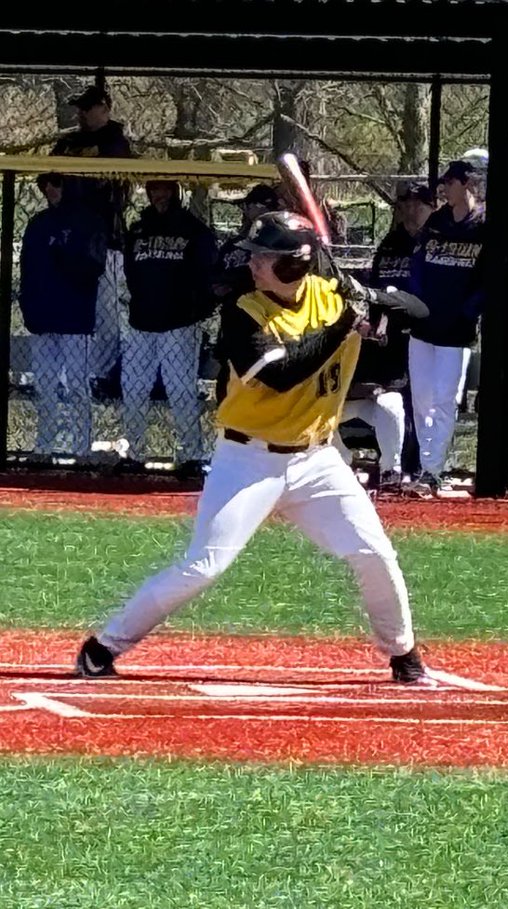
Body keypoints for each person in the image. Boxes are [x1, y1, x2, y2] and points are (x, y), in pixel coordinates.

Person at [74, 211, 435, 684]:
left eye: (267, 257)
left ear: (294, 264)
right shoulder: (243, 310)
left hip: (318, 460)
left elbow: (420, 311)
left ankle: (403, 656)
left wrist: (368, 298)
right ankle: (103, 647)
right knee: (204, 565)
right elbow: (282, 375)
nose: (255, 264)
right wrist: (346, 323)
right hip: (247, 460)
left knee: (374, 554)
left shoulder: (333, 297)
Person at [335, 184, 437, 486]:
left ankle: (419, 467)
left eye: (419, 204)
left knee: (422, 402)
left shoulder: (436, 240)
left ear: (432, 207)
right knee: (395, 401)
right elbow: (377, 291)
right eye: (406, 203)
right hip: (392, 335)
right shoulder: (392, 243)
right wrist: (377, 323)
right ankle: (396, 468)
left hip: (426, 331)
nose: (411, 209)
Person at [121, 180, 219, 475]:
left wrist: (194, 309)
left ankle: (191, 455)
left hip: (179, 324)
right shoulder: (139, 229)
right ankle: (134, 454)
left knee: (180, 391)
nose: (158, 196)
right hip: (141, 322)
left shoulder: (194, 230)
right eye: (153, 190)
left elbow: (206, 276)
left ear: (177, 193)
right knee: (134, 388)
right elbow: (130, 271)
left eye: (164, 190)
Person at [50, 82, 137, 397]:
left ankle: (102, 375)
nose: (82, 114)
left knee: (105, 312)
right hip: (67, 234)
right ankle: (67, 376)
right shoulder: (69, 141)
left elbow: (115, 185)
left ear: (104, 108)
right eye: (80, 108)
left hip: (104, 238)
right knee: (67, 306)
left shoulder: (116, 142)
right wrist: (54, 190)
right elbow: (47, 175)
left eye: (88, 107)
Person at [407, 160, 486, 494]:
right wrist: (418, 302)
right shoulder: (437, 221)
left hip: (456, 329)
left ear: (468, 184)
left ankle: (433, 470)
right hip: (424, 324)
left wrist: (468, 312)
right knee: (422, 399)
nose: (444, 189)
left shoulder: (483, 224)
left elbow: (489, 278)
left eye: (450, 183)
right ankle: (427, 466)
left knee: (444, 399)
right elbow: (418, 264)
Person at [18, 173, 107, 457]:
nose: (50, 190)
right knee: (44, 386)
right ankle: (44, 446)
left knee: (78, 386)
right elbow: (27, 271)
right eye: (45, 185)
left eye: (55, 183)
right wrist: (28, 308)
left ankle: (81, 448)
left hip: (75, 319)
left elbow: (94, 267)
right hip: (42, 319)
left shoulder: (88, 221)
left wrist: (65, 255)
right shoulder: (38, 224)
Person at [213, 183, 280, 312]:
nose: (245, 210)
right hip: (234, 306)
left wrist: (234, 280)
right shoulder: (235, 243)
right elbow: (216, 271)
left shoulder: (279, 241)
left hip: (266, 308)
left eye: (249, 206)